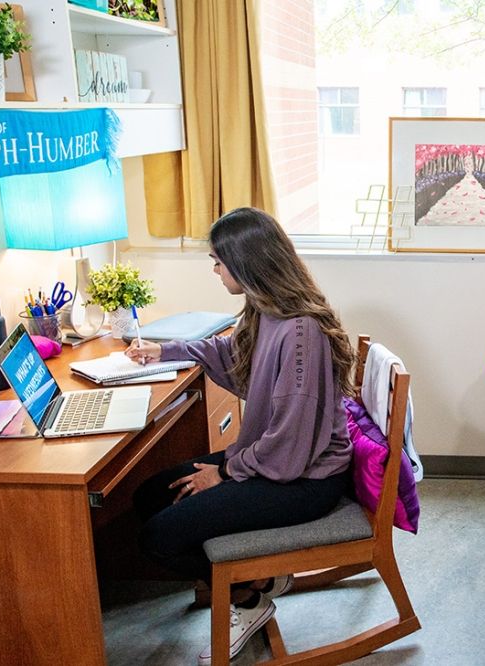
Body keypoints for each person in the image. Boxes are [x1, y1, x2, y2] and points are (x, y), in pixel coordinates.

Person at [127, 207, 355, 665]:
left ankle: (248, 597)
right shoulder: (266, 309)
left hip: (303, 480)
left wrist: (226, 471)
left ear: (246, 263)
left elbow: (289, 448)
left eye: (217, 261)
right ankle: (259, 580)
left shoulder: (300, 333)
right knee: (151, 495)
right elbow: (229, 351)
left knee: (158, 536)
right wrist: (164, 350)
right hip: (273, 460)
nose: (214, 270)